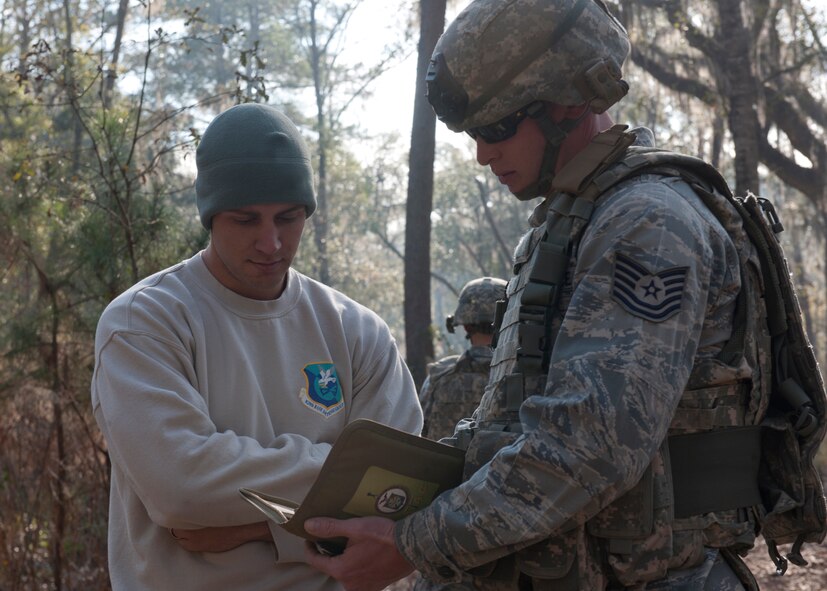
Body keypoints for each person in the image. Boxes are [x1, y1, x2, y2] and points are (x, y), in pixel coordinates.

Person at [303, 1, 766, 589]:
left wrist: (415, 543)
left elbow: (591, 443)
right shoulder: (573, 223)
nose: (483, 153)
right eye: (475, 133)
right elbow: (520, 418)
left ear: (569, 104)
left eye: (498, 127)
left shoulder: (646, 223)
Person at [90, 102, 422, 591]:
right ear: (210, 216)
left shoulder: (358, 332)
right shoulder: (144, 323)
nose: (271, 243)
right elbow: (182, 489)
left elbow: (398, 490)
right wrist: (342, 477)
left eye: (288, 218)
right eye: (245, 220)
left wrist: (259, 526)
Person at [419, 277, 507, 441]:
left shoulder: (438, 376)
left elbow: (419, 433)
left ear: (465, 325)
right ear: (507, 322)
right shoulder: (524, 376)